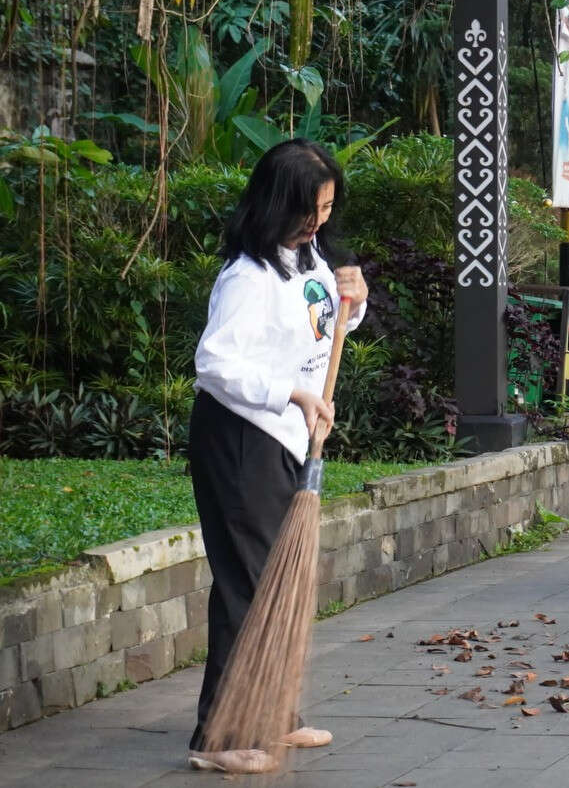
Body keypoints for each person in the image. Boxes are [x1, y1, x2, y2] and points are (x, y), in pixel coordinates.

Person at [187, 139, 368, 773]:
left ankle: (270, 715)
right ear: (279, 203)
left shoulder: (308, 257)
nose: (322, 221)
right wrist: (289, 392)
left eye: (327, 208)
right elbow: (214, 365)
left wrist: (354, 297)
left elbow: (325, 329)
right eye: (312, 208)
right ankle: (219, 735)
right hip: (241, 439)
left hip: (287, 435)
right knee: (252, 582)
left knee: (280, 579)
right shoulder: (248, 276)